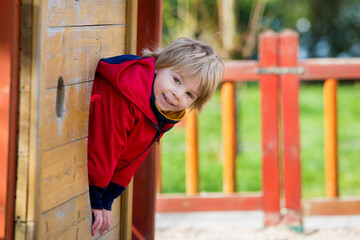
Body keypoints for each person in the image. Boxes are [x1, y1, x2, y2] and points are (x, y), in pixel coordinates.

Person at [87, 37, 224, 235]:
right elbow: (105, 143)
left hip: (99, 173)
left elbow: (132, 155)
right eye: (176, 80)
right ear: (160, 65)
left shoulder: (159, 112)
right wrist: (95, 198)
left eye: (189, 95)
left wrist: (108, 199)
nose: (178, 94)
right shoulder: (127, 94)